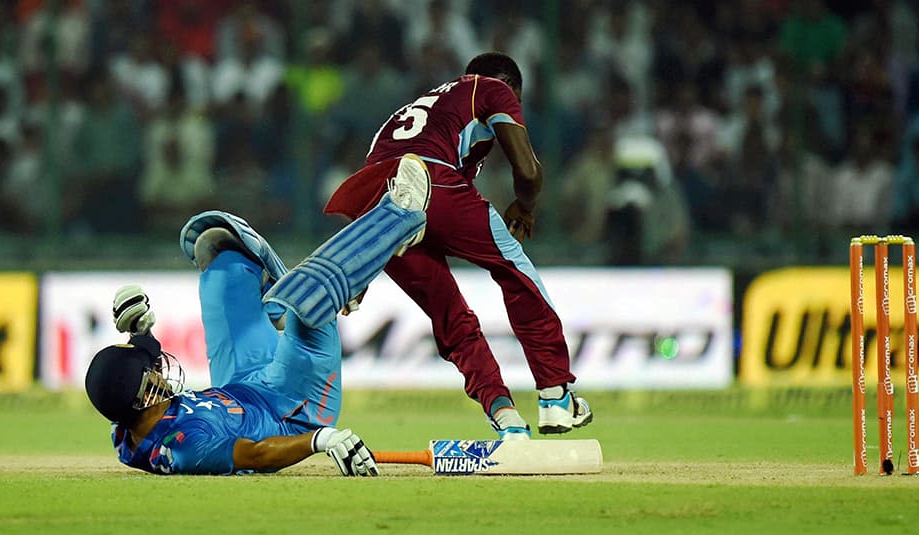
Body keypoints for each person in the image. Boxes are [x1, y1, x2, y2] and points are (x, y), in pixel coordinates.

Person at [83, 154, 431, 476]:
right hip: (295, 410)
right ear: (139, 401)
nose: (160, 374)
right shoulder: (185, 449)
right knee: (307, 301)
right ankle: (401, 218)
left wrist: (139, 330)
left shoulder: (128, 417)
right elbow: (257, 453)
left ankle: (298, 295)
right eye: (150, 379)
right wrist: (319, 440)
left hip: (238, 381)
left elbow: (137, 366)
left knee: (216, 246)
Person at [323, 52, 592, 440]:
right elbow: (529, 171)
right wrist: (526, 206)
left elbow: (383, 167)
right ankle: (555, 396)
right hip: (432, 181)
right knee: (515, 271)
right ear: (511, 88)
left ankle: (505, 415)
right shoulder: (493, 89)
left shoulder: (410, 111)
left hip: (377, 207)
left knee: (449, 315)